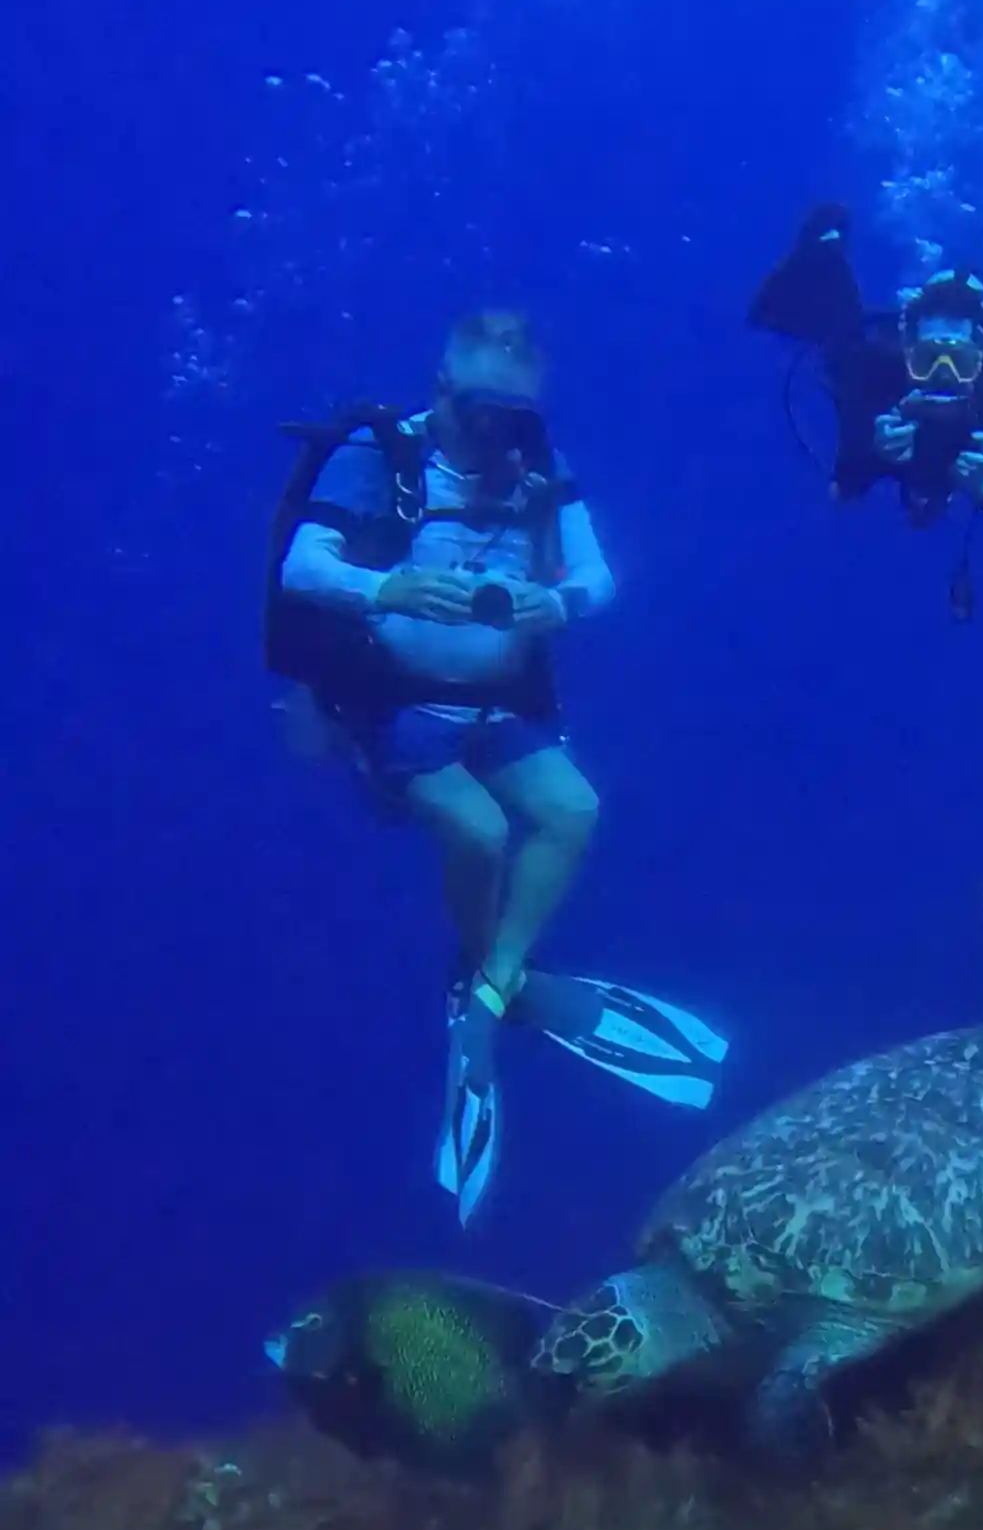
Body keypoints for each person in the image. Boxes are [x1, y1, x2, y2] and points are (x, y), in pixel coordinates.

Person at [268, 309, 724, 1219]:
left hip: (502, 701)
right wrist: (388, 585)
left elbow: (601, 577)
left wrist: (557, 604)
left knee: (574, 811)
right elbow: (301, 567)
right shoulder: (380, 456)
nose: (497, 432)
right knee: (476, 829)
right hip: (397, 705)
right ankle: (482, 974)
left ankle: (493, 982)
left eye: (513, 414)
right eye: (482, 411)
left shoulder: (537, 465)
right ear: (441, 390)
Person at [748, 160, 983, 536]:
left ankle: (828, 244)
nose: (943, 373)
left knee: (850, 347)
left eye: (957, 360)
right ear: (910, 352)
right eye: (929, 359)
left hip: (975, 354)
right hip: (950, 354)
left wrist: (873, 454)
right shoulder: (890, 373)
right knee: (853, 350)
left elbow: (847, 484)